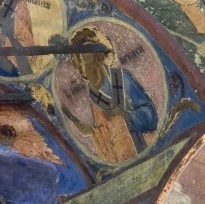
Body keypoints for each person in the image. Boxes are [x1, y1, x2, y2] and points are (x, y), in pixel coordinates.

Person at [62, 27, 157, 163]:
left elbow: (150, 117)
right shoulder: (93, 95)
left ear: (99, 57)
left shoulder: (122, 78)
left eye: (87, 58)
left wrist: (126, 114)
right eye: (81, 60)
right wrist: (91, 131)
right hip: (119, 158)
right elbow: (106, 132)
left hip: (142, 150)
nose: (84, 65)